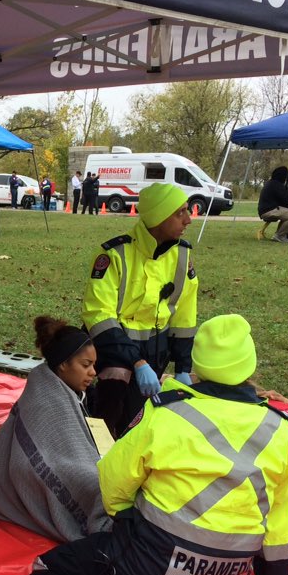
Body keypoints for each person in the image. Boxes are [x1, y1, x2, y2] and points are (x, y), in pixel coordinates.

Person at [0, 316, 288, 575]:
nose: (93, 374)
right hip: (208, 547)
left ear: (198, 368)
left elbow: (117, 473)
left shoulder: (165, 411)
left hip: (167, 544)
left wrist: (124, 513)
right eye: (86, 365)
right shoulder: (278, 430)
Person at [29, 315, 288, 575]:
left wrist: (126, 524)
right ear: (250, 367)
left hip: (149, 572)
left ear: (198, 367)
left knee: (48, 568)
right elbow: (280, 527)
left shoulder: (166, 414)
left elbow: (113, 478)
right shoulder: (283, 432)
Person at [82, 182, 198, 439]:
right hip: (112, 350)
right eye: (180, 212)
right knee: (111, 401)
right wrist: (136, 361)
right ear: (158, 217)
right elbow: (98, 315)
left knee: (133, 422)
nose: (188, 220)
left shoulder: (181, 256)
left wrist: (182, 366)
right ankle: (96, 445)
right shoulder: (115, 254)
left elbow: (185, 316)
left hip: (154, 353)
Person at [0, 316, 108, 542]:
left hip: (56, 463)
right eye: (86, 365)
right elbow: (50, 460)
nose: (93, 373)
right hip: (27, 473)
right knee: (103, 490)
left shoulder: (66, 389)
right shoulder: (47, 395)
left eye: (93, 366)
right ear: (63, 364)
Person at [258, 166, 288, 243]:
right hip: (269, 211)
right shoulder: (276, 185)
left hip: (265, 210)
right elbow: (287, 198)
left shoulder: (271, 183)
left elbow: (283, 200)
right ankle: (279, 236)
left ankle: (280, 234)